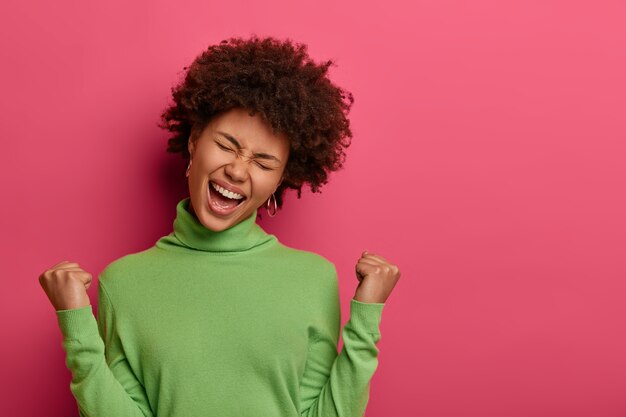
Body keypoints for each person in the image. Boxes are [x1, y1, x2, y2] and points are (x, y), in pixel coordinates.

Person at [39, 35, 401, 416]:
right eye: (227, 146)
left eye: (263, 163)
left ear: (280, 180)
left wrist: (367, 315)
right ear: (195, 140)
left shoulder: (314, 278)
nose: (238, 170)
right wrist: (77, 325)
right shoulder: (123, 282)